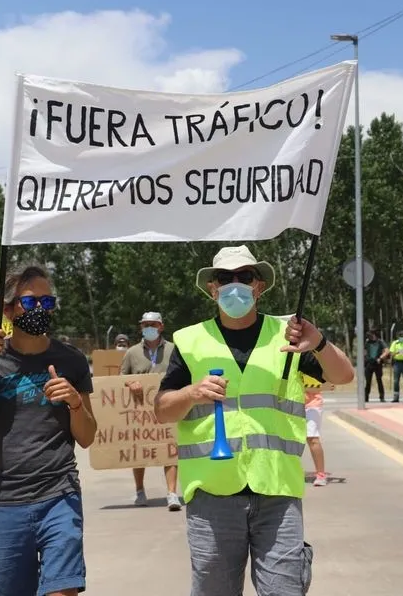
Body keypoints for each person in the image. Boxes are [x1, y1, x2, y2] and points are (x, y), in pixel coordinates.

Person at [154, 245, 355, 596]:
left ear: (259, 286)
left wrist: (319, 342)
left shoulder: (288, 335)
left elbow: (344, 374)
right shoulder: (189, 341)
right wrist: (192, 393)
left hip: (277, 492)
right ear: (212, 288)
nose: (235, 285)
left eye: (244, 277)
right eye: (225, 279)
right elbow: (162, 409)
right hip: (212, 496)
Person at [0, 264, 98, 596]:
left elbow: (87, 436)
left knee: (62, 590)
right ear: (9, 309)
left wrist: (75, 403)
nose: (40, 309)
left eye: (48, 302)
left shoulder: (72, 360)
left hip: (60, 495)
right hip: (6, 500)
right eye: (30, 301)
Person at [120, 311, 181, 511]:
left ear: (161, 326)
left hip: (166, 403)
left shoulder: (173, 349)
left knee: (169, 449)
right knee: (139, 449)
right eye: (145, 325)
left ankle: (172, 494)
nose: (149, 328)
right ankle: (139, 491)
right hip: (140, 410)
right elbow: (119, 379)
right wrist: (131, 383)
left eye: (153, 324)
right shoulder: (132, 353)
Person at [303, 372, 334, 487]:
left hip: (312, 404)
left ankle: (321, 474)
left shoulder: (313, 361)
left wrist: (323, 386)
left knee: (312, 438)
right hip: (292, 403)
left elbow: (328, 384)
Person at [363, 330, 389, 403]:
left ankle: (382, 397)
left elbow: (387, 351)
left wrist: (380, 358)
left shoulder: (380, 342)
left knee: (379, 380)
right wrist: (365, 358)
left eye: (371, 335)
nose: (370, 337)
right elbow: (364, 351)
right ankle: (366, 396)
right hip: (369, 363)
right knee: (368, 381)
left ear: (374, 335)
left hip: (377, 363)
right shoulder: (367, 342)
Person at [388, 330, 403, 402]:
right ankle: (396, 397)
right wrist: (397, 352)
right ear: (398, 336)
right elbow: (391, 354)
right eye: (400, 336)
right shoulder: (395, 343)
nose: (402, 337)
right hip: (397, 363)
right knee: (396, 381)